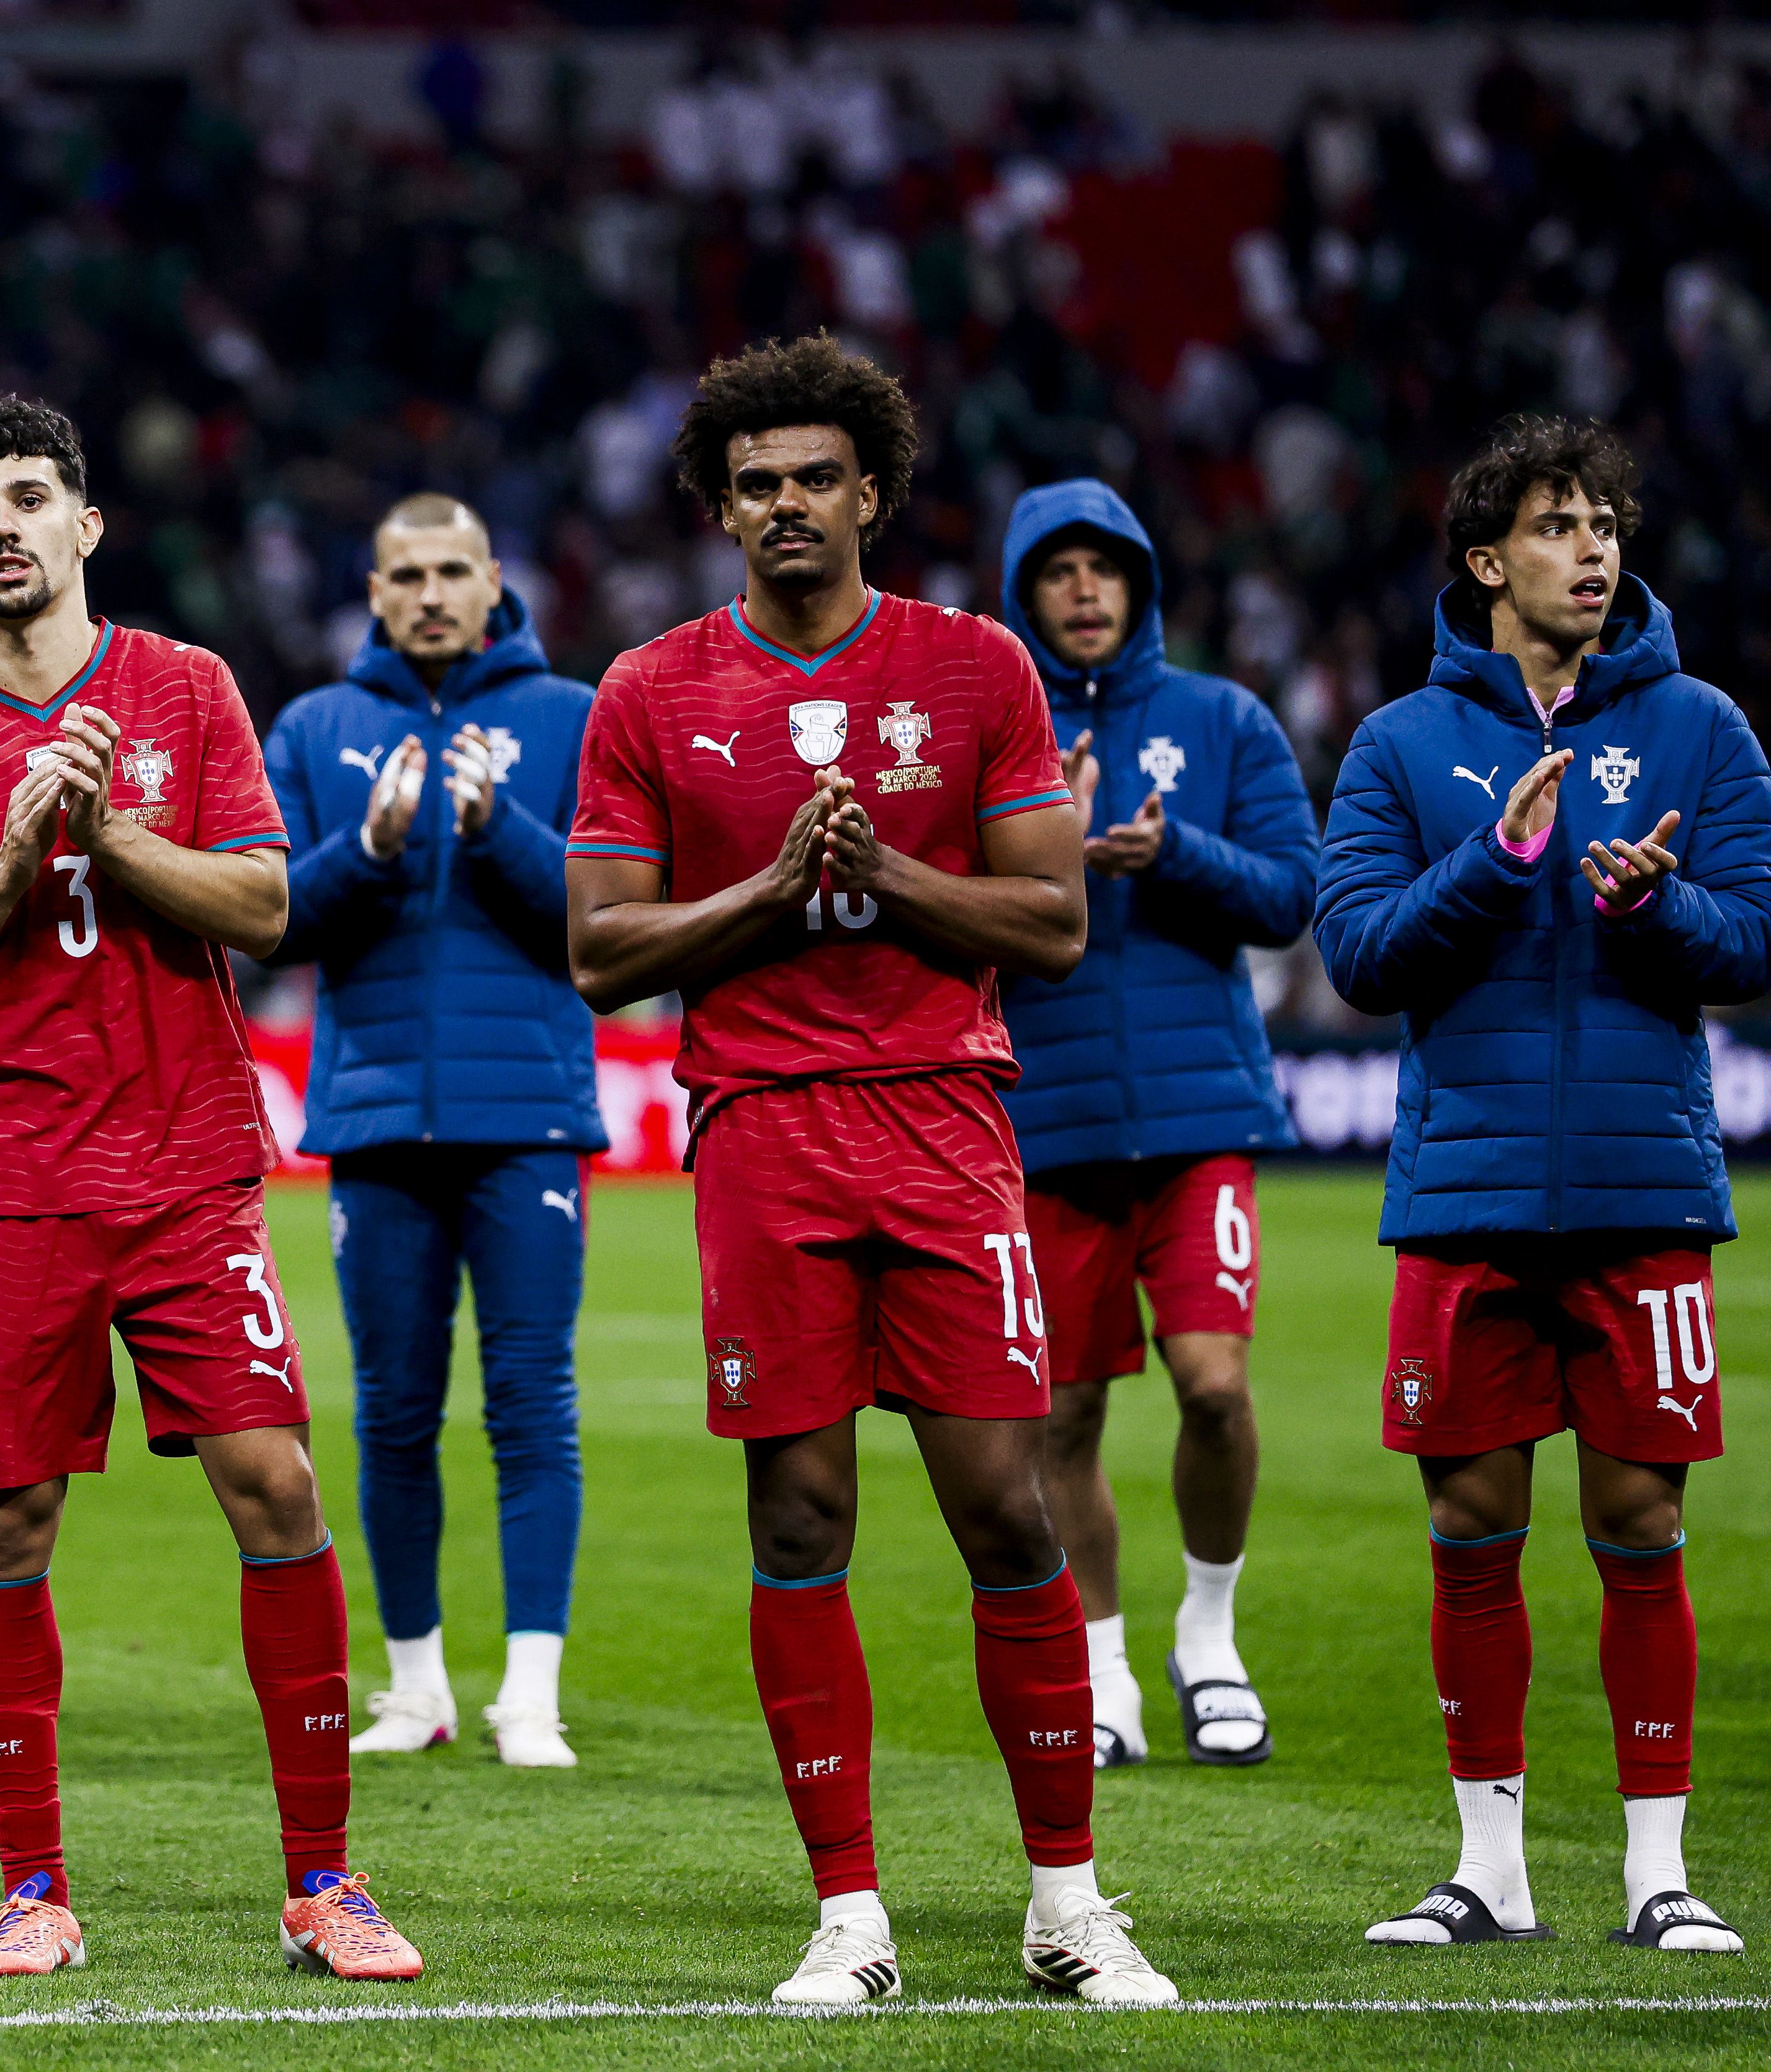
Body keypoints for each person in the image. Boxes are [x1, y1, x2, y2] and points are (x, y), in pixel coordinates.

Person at [565, 335, 1176, 2009]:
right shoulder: (648, 691)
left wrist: (886, 873)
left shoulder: (976, 669)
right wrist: (770, 893)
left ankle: (1070, 1902)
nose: (783, 504)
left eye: (814, 476)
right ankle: (850, 1914)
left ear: (873, 493)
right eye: (752, 481)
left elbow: (1050, 922)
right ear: (715, 506)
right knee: (801, 1507)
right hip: (762, 1132)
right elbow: (602, 951)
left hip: (944, 1122)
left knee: (1004, 1499)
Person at [0, 394, 422, 1984]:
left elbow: (264, 898)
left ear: (88, 523)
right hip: (13, 1183)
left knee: (277, 1487)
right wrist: (14, 864)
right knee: (6, 1518)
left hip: (185, 1172)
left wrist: (107, 830)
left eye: (32, 495)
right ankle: (33, 1885)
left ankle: (324, 1882)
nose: (4, 524)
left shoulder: (187, 686)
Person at [1315, 414, 1771, 1952]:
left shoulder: (1703, 725)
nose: (1592, 549)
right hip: (1463, 1194)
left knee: (1642, 1516)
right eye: (1556, 525)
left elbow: (1766, 940)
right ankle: (1492, 1870)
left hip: (1645, 1191)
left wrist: (1657, 909)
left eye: (1604, 523)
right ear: (1486, 559)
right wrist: (1497, 864)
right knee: (1470, 1517)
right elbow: (1359, 954)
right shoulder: (1398, 744)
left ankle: (1660, 1872)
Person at [261, 494, 602, 1770]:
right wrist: (372, 846)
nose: (432, 593)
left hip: (528, 1115)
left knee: (531, 1402)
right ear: (373, 587)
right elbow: (274, 916)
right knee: (395, 1411)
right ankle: (415, 1686)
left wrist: (495, 831)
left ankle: (531, 1690)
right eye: (408, 573)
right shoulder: (317, 728)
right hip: (378, 1116)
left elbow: (607, 916)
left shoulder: (569, 718)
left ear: (496, 575)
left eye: (455, 568)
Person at [992, 480, 1319, 1771]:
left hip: (1198, 1120)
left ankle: (1212, 1631)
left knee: (1216, 1386)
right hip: (1048, 1121)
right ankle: (1105, 1661)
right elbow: (949, 904)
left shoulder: (1223, 717)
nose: (1083, 589)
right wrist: (1051, 855)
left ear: (1139, 584)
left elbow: (1295, 891)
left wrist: (1170, 852)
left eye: (1103, 567)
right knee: (1061, 1417)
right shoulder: (987, 730)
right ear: (1025, 592)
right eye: (1057, 570)